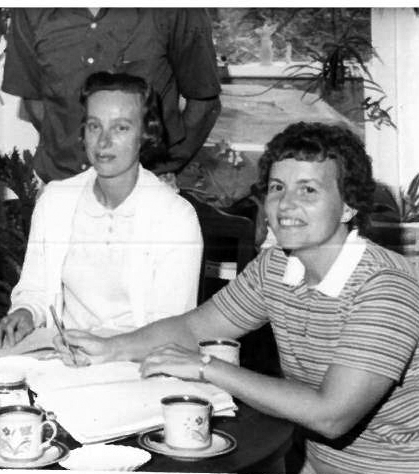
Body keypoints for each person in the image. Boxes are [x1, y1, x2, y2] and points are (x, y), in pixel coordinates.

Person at [56, 122, 419, 474]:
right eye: (277, 187)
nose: (286, 204)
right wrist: (112, 348)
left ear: (348, 207)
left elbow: (332, 415)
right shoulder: (276, 266)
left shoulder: (386, 287)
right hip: (304, 461)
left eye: (308, 190)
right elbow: (194, 326)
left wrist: (205, 366)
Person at [0, 72, 202, 348]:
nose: (103, 142)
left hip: (140, 365)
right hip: (65, 357)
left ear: (145, 135)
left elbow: (172, 329)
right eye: (94, 126)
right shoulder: (56, 201)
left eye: (121, 128)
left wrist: (107, 352)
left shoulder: (175, 217)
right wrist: (25, 312)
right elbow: (36, 291)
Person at [2, 8, 221, 182]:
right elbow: (35, 101)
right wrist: (72, 152)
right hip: (63, 186)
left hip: (144, 192)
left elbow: (204, 104)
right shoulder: (29, 11)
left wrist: (164, 166)